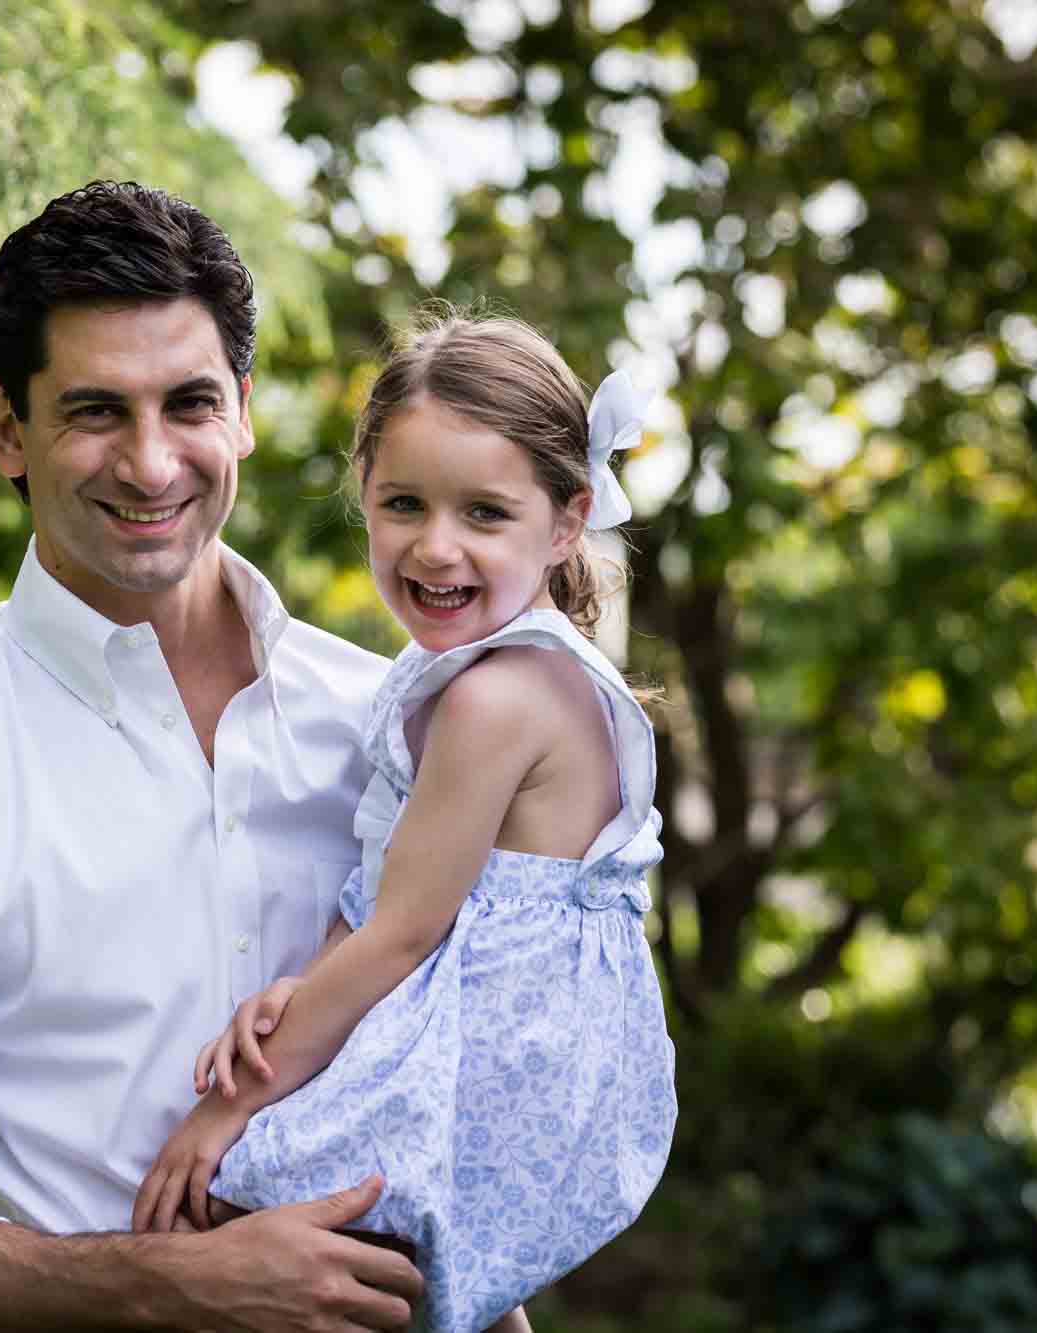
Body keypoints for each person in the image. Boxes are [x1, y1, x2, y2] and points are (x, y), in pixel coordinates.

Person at [0, 180, 425, 1332]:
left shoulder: (394, 727)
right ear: (5, 430)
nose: (152, 463)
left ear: (246, 412)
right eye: (94, 412)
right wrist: (179, 1287)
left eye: (188, 403)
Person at [130, 312, 679, 1333]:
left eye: (483, 512)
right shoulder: (491, 668)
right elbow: (397, 887)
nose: (435, 546)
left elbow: (405, 927)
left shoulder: (494, 698)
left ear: (565, 522)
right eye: (402, 504)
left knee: (242, 1206)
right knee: (429, 1288)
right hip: (501, 1040)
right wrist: (303, 986)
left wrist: (224, 1109)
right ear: (364, 498)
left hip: (502, 1053)